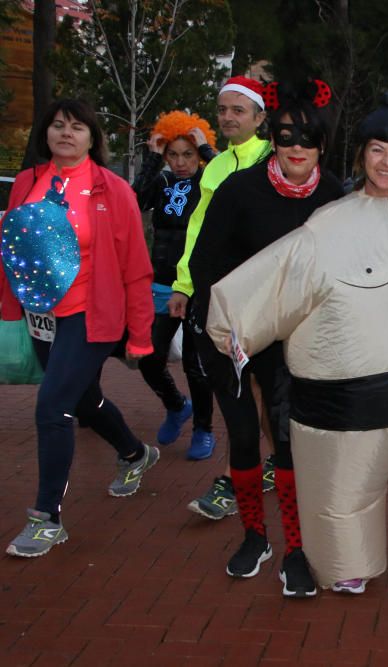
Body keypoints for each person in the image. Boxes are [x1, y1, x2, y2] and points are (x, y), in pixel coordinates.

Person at [205, 90, 388, 594]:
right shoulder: (330, 224)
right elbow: (279, 276)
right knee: (350, 484)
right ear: (362, 153)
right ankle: (346, 560)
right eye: (378, 149)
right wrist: (230, 324)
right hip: (366, 390)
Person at [188, 79, 345, 597]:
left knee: (289, 441)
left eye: (306, 138)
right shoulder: (241, 189)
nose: (295, 147)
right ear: (272, 140)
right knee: (242, 435)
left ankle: (296, 548)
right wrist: (208, 325)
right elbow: (206, 260)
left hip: (295, 341)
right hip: (230, 335)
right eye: (284, 137)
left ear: (321, 145)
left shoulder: (333, 196)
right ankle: (255, 535)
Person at [1, 99, 157, 557]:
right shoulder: (28, 182)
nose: (66, 133)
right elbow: (14, 248)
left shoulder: (112, 190)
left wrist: (141, 333)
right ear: (45, 134)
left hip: (93, 315)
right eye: (57, 125)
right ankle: (134, 453)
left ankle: (46, 518)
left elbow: (136, 268)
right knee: (84, 402)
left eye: (77, 127)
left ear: (93, 137)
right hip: (43, 316)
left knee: (52, 408)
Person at [168, 76, 273, 520]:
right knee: (242, 385)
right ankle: (248, 471)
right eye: (223, 109)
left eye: (239, 110)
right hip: (218, 296)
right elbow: (196, 231)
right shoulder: (213, 167)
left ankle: (251, 471)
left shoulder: (275, 159)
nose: (228, 117)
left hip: (266, 295)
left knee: (259, 386)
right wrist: (183, 284)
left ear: (259, 117)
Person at [131, 111, 218, 460]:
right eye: (173, 155)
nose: (181, 163)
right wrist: (152, 158)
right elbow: (135, 200)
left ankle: (203, 429)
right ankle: (176, 405)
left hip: (198, 286)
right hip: (163, 286)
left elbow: (230, 185)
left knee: (196, 366)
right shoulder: (163, 183)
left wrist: (208, 151)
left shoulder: (208, 183)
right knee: (149, 357)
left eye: (188, 155)